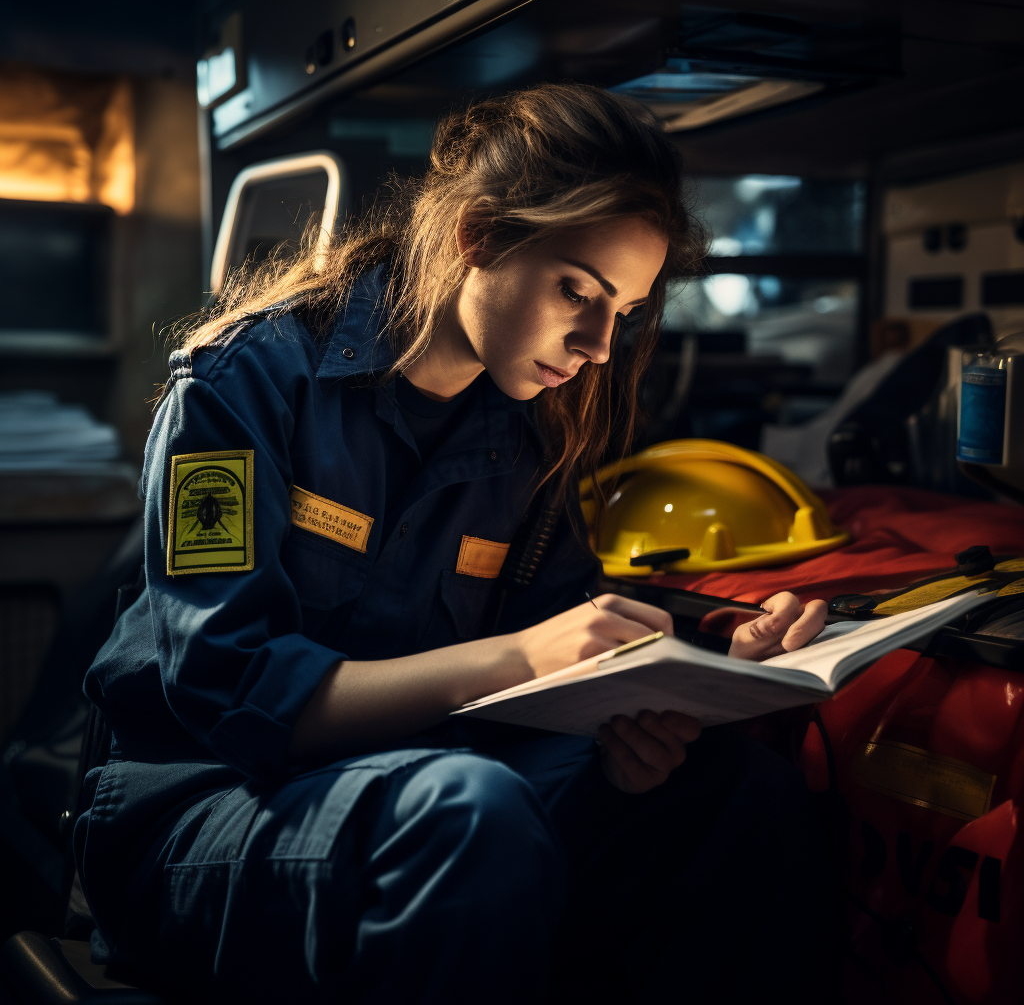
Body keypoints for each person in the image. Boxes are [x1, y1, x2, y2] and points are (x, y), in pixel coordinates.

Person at [76, 83, 837, 1004]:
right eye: (577, 291)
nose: (599, 344)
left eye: (624, 312)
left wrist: (703, 663)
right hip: (201, 808)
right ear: (479, 236)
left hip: (429, 784)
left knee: (736, 798)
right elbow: (230, 691)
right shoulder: (240, 386)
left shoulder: (525, 433)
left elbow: (563, 639)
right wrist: (513, 659)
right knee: (469, 813)